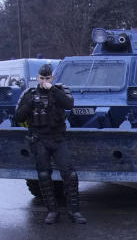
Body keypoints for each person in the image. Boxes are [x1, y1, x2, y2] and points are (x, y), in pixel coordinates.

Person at [14, 63, 86, 224]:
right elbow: (18, 117)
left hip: (57, 138)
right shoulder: (30, 94)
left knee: (70, 174)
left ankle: (74, 211)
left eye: (47, 78)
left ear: (51, 78)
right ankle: (52, 211)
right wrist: (31, 103)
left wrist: (52, 89)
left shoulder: (58, 91)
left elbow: (69, 104)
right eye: (42, 78)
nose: (44, 80)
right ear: (37, 78)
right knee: (44, 175)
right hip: (39, 139)